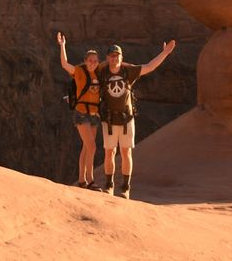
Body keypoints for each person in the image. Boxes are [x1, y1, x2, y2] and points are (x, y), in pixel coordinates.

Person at [97, 39, 175, 198]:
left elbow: (149, 67)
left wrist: (165, 53)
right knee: (109, 153)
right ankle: (109, 185)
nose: (115, 58)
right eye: (112, 56)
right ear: (107, 58)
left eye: (117, 56)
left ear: (121, 57)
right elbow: (86, 70)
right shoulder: (102, 73)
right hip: (109, 120)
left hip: (126, 120)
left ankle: (125, 187)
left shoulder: (128, 72)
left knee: (126, 153)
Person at [56, 32, 102, 187]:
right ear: (85, 61)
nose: (93, 63)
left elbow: (115, 65)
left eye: (95, 61)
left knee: (86, 147)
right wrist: (62, 46)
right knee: (92, 146)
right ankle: (91, 180)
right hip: (81, 114)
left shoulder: (99, 72)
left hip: (95, 115)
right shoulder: (79, 71)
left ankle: (82, 180)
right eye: (90, 61)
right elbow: (64, 64)